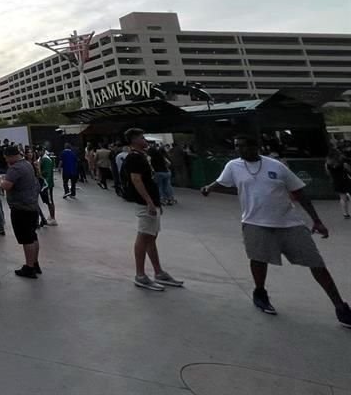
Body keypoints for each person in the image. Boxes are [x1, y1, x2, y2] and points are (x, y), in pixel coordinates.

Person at [202, 135, 351, 327]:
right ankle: (260, 292)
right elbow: (222, 181)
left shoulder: (276, 166)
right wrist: (209, 188)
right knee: (258, 260)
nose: (239, 149)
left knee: (316, 263)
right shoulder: (233, 165)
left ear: (256, 146)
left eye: (244, 145)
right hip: (254, 222)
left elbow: (299, 192)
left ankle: (340, 306)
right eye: (237, 146)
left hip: (289, 223)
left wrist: (316, 220)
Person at [121, 128, 183, 291]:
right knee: (144, 237)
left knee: (150, 237)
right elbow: (136, 180)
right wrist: (149, 202)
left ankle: (158, 272)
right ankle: (140, 275)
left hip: (151, 202)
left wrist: (156, 203)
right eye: (142, 137)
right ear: (134, 140)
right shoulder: (134, 157)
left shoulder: (142, 155)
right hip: (144, 203)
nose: (145, 140)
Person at [0, 145, 43, 278]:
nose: (6, 161)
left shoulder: (15, 168)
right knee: (32, 235)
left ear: (11, 156)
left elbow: (7, 186)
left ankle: (29, 267)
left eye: (6, 158)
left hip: (21, 208)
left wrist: (1, 180)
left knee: (26, 238)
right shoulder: (27, 164)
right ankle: (35, 263)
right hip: (32, 205)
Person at [325, 148, 351, 219]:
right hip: (346, 181)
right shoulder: (343, 163)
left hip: (336, 182)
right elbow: (349, 170)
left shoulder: (327, 164)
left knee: (343, 198)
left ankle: (345, 214)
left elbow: (328, 173)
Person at [38, 148, 58, 226]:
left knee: (50, 201)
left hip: (47, 184)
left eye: (39, 151)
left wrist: (39, 173)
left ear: (43, 151)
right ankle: (51, 216)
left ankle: (53, 218)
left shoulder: (46, 159)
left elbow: (47, 172)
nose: (38, 152)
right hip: (46, 183)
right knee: (48, 201)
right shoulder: (43, 158)